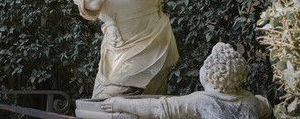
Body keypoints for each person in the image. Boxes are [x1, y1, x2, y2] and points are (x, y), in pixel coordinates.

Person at [101, 42, 273, 119]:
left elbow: (159, 108)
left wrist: (120, 104)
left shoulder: (202, 101)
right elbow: (265, 105)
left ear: (208, 74)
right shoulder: (251, 100)